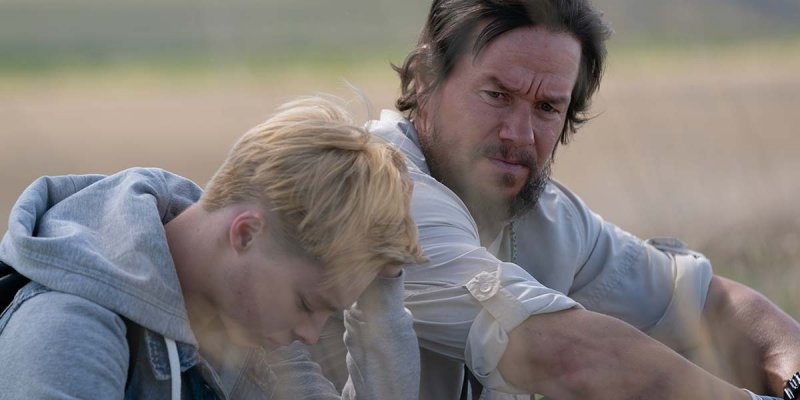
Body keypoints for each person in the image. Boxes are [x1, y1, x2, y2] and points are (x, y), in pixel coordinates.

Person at [308, 1, 800, 399]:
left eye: (546, 107)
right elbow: (560, 354)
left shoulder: (543, 214)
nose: (519, 135)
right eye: (497, 95)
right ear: (425, 79)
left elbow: (706, 302)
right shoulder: (377, 187)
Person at [0, 96, 427, 399]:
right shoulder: (67, 332)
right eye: (305, 303)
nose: (310, 334)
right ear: (246, 234)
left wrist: (381, 286)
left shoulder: (244, 329)